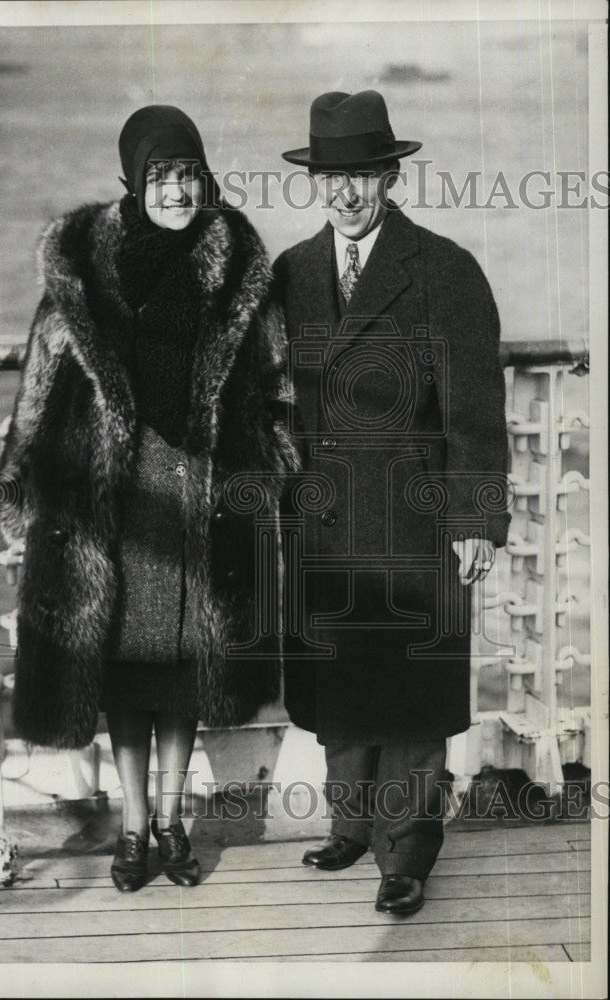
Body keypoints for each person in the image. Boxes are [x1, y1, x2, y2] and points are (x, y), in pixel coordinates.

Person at [0, 104, 299, 892]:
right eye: (162, 177)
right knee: (129, 679)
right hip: (116, 502)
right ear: (133, 180)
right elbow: (38, 379)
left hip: (203, 500)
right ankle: (134, 829)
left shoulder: (235, 262)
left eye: (189, 176)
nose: (177, 191)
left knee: (184, 674)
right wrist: (15, 473)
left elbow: (274, 384)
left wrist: (279, 465)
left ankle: (171, 822)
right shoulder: (85, 265)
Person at [274, 90, 510, 915]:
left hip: (412, 517)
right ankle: (349, 827)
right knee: (341, 683)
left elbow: (477, 408)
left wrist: (477, 517)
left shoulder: (442, 269)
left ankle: (406, 854)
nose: (346, 193)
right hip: (325, 518)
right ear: (314, 181)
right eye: (332, 176)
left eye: (363, 176)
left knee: (410, 694)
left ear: (390, 175)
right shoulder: (292, 272)